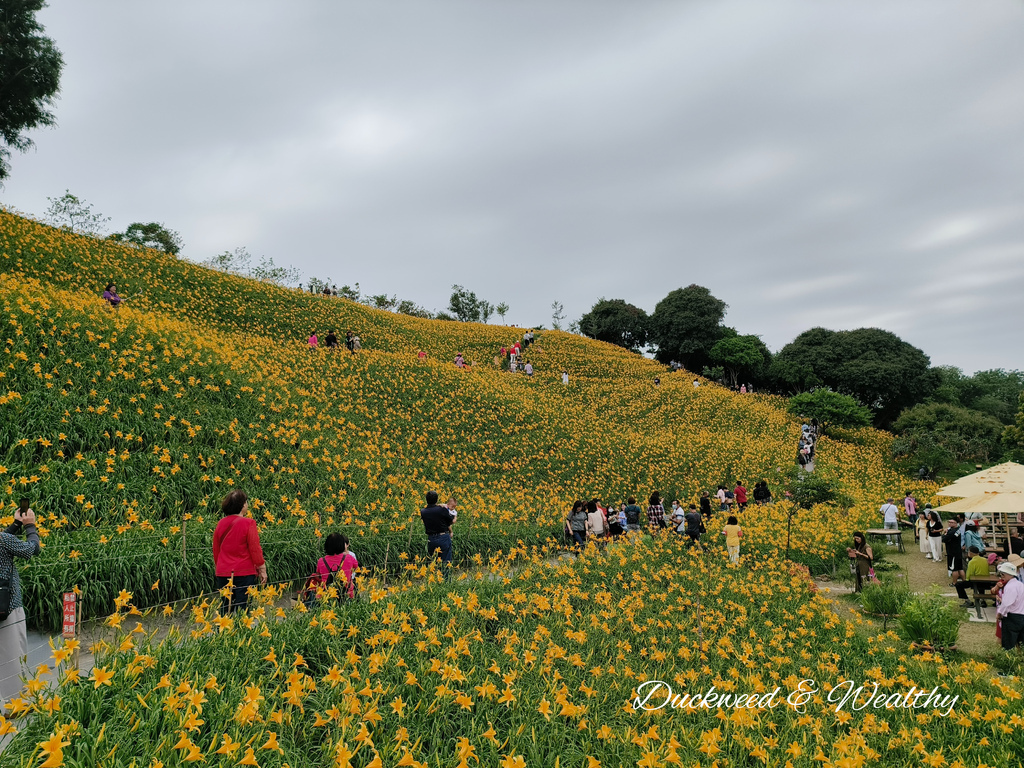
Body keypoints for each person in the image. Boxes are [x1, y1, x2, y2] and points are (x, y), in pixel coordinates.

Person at [0, 502, 41, 704]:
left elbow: (4, 543)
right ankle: (16, 705)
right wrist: (30, 526)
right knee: (12, 655)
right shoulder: (3, 540)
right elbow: (32, 550)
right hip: (7, 607)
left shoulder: (4, 539)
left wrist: (15, 524)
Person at [212, 490, 267, 614]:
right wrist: (262, 568)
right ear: (242, 506)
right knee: (243, 608)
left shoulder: (220, 523)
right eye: (246, 502)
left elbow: (216, 550)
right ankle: (241, 632)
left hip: (223, 572)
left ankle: (223, 632)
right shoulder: (249, 523)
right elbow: (255, 548)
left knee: (225, 609)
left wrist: (221, 566)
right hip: (244, 572)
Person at [305, 533, 359, 604]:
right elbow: (356, 567)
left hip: (325, 596)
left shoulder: (321, 561)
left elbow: (318, 573)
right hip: (346, 595)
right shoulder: (349, 558)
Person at [420, 491, 455, 579]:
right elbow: (450, 520)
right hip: (443, 537)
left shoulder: (423, 511)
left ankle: (434, 582)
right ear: (437, 499)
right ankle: (446, 583)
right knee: (446, 562)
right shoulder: (441, 509)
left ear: (426, 500)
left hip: (431, 539)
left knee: (433, 562)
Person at [996, 562, 1024, 651]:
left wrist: (1000, 613)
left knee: (1008, 643)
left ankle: (1008, 661)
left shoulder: (1010, 586)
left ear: (1009, 574)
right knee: (1020, 643)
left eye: (1003, 574)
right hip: (1021, 616)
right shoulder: (1020, 585)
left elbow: (1007, 603)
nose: (1001, 576)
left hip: (1012, 616)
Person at [942, 518, 964, 584]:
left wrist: (945, 534)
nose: (949, 523)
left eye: (952, 522)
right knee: (960, 568)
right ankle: (964, 581)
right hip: (958, 551)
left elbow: (944, 539)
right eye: (949, 522)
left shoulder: (952, 532)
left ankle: (954, 583)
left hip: (953, 552)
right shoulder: (958, 530)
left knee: (954, 569)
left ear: (956, 523)